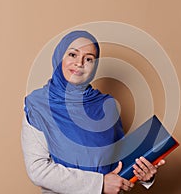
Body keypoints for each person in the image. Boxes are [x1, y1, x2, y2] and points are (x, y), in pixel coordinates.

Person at [21, 30, 165, 194]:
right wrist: (100, 184)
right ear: (59, 56)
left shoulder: (107, 105)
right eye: (73, 55)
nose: (80, 63)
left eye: (89, 59)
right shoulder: (38, 105)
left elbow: (119, 163)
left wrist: (143, 174)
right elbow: (38, 170)